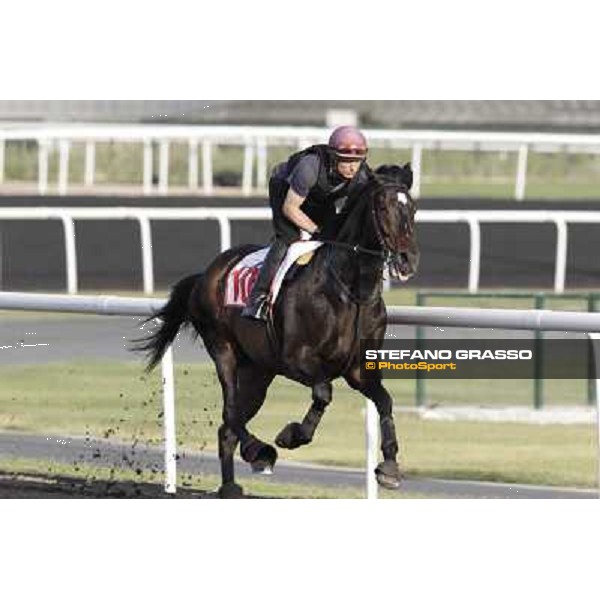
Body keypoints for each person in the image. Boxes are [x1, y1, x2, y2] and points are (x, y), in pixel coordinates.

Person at [242, 125, 373, 321]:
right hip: (285, 191)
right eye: (346, 162)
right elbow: (290, 208)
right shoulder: (309, 167)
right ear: (333, 157)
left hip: (320, 195)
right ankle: (258, 298)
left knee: (336, 237)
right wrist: (316, 230)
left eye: (357, 161)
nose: (352, 168)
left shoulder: (361, 174)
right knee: (289, 238)